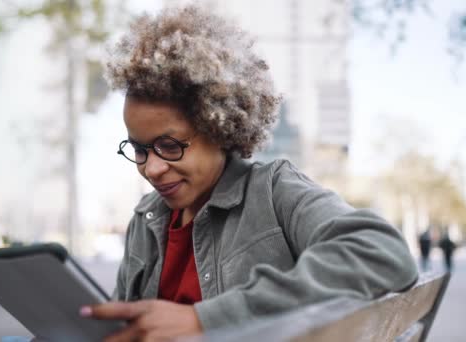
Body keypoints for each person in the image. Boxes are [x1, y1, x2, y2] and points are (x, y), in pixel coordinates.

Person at [78, 5, 418, 341]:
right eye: (139, 149)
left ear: (218, 127)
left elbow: (382, 253)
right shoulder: (145, 218)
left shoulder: (273, 190)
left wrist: (206, 320)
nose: (151, 168)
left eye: (169, 146)